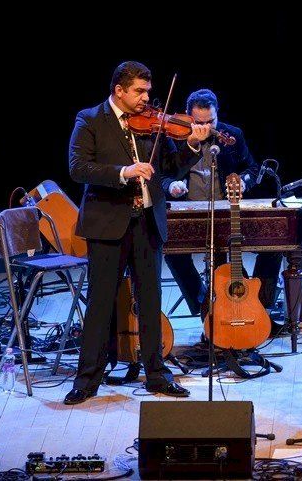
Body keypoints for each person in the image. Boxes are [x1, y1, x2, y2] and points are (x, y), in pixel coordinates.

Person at [65, 61, 209, 404]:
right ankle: (87, 379)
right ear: (119, 90)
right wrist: (124, 171)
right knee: (100, 302)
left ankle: (157, 376)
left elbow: (170, 167)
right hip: (108, 223)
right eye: (139, 91)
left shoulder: (153, 123)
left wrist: (192, 145)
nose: (146, 98)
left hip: (147, 221)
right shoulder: (90, 119)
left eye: (148, 91)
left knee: (151, 300)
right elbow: (78, 168)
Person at [162, 88, 281, 319]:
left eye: (211, 121)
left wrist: (244, 182)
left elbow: (252, 167)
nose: (206, 128)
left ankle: (258, 306)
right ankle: (203, 305)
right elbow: (162, 175)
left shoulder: (232, 135)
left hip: (227, 211)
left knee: (273, 248)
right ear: (188, 116)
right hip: (189, 211)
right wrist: (171, 186)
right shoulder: (174, 137)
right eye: (199, 123)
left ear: (217, 114)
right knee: (173, 255)